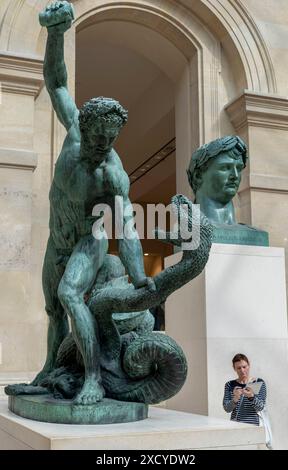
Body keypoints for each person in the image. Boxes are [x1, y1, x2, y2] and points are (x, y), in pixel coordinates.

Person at [33, 1, 154, 405]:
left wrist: (139, 279)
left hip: (90, 236)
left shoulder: (112, 175)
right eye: (99, 136)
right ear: (85, 126)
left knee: (70, 295)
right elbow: (57, 82)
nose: (104, 145)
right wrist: (56, 34)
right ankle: (51, 371)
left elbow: (130, 229)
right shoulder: (72, 131)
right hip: (59, 237)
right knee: (52, 310)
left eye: (111, 139)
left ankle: (93, 380)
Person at [187, 136, 247, 225]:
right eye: (225, 168)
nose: (235, 175)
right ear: (198, 176)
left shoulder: (253, 234)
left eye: (238, 168)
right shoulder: (187, 234)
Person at [223, 353, 267, 426]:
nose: (242, 370)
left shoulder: (258, 382)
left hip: (254, 426)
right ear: (234, 368)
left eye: (244, 367)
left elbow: (260, 407)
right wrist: (235, 399)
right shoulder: (230, 385)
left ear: (249, 365)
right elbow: (227, 409)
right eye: (239, 368)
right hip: (236, 426)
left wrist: (251, 397)